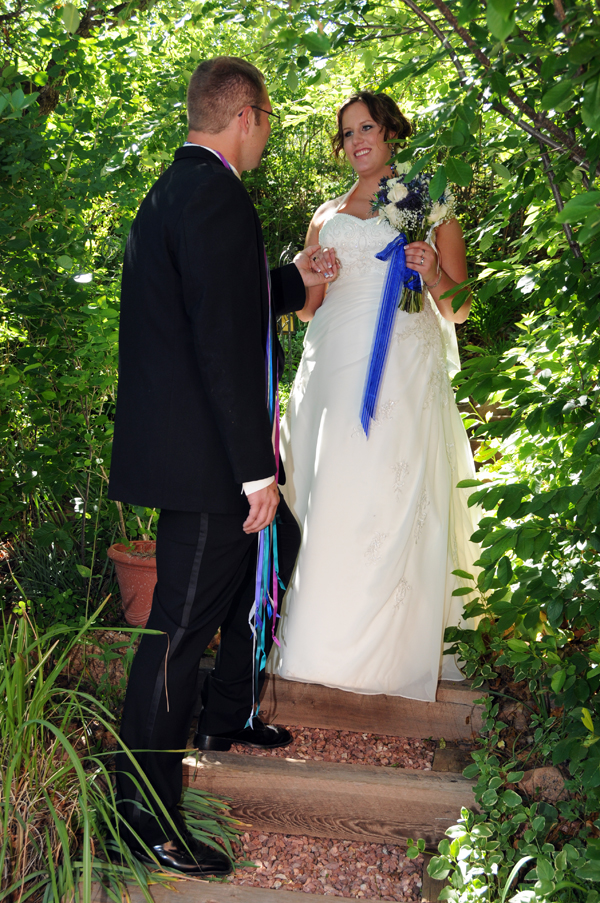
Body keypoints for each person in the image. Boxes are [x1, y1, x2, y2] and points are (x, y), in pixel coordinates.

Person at [108, 57, 337, 877]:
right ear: (247, 116)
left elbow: (219, 300)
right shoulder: (215, 195)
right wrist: (255, 470)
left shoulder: (179, 189)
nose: (266, 134)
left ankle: (226, 713)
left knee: (269, 554)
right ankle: (142, 815)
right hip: (208, 463)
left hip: (193, 455)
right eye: (267, 120)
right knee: (175, 635)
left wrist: (294, 280)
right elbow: (221, 344)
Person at [270, 91, 480, 702]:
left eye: (366, 127)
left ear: (390, 132)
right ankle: (318, 640)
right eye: (347, 133)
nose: (356, 140)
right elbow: (307, 311)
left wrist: (432, 272)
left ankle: (394, 649)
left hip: (403, 366)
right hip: (333, 367)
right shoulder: (325, 213)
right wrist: (313, 272)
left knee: (390, 484)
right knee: (331, 487)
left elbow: (461, 309)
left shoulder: (429, 199)